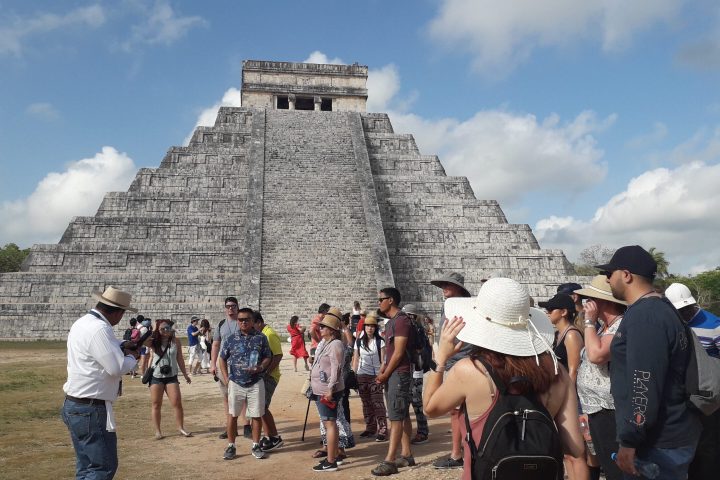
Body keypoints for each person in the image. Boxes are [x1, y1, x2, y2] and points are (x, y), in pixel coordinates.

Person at [423, 277, 585, 480]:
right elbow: (575, 448)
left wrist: (440, 361)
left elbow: (430, 408)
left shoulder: (470, 370)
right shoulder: (556, 371)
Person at [596, 245, 701, 479]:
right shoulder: (660, 309)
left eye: (608, 274)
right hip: (668, 435)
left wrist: (630, 440)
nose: (608, 280)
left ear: (626, 275)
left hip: (657, 443)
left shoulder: (646, 316)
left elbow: (644, 382)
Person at [62, 286, 140, 479]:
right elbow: (116, 367)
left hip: (76, 403)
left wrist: (122, 345)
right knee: (102, 468)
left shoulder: (83, 323)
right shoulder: (100, 328)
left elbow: (101, 347)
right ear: (118, 312)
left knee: (86, 466)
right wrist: (134, 357)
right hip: (92, 407)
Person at [665, 282, 720, 479]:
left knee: (709, 447)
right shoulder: (674, 324)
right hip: (684, 398)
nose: (684, 312)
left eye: (686, 308)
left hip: (708, 398)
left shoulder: (714, 326)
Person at [574, 275, 627, 480]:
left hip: (610, 410)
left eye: (592, 299)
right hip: (595, 409)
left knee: (616, 468)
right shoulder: (603, 327)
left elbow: (596, 355)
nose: (587, 304)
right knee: (606, 461)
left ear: (604, 302)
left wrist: (589, 321)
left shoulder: (620, 326)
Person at [429, 272, 472, 469]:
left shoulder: (466, 307)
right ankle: (461, 451)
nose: (444, 288)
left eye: (448, 284)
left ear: (459, 288)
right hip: (451, 360)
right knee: (457, 412)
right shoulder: (448, 306)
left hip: (460, 361)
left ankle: (457, 453)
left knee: (459, 411)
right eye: (444, 284)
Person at [218, 307, 272, 461]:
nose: (243, 322)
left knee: (256, 415)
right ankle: (231, 445)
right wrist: (226, 377)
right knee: (233, 415)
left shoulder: (261, 338)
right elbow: (222, 358)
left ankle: (255, 444)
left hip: (255, 382)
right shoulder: (231, 339)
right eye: (240, 320)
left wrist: (261, 367)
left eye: (246, 319)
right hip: (236, 382)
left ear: (252, 321)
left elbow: (268, 356)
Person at [371, 287, 414, 476]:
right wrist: (383, 369)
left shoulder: (401, 320)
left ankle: (390, 460)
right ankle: (406, 454)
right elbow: (390, 353)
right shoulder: (392, 323)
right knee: (401, 414)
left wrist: (386, 373)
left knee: (395, 417)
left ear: (391, 300)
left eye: (381, 299)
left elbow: (398, 352)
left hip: (399, 374)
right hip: (393, 373)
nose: (378, 302)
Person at [310, 308, 346, 472]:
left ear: (331, 330)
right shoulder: (327, 343)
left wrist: (330, 389)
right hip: (321, 389)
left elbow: (336, 369)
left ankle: (331, 460)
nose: (320, 329)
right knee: (329, 422)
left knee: (330, 423)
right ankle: (332, 456)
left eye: (323, 327)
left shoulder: (336, 344)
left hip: (327, 390)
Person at [148, 319, 192, 439]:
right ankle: (158, 431)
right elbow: (142, 342)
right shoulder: (153, 342)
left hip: (171, 376)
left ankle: (181, 428)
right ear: (158, 329)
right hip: (156, 376)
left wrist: (185, 374)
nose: (166, 330)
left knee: (177, 403)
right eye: (162, 328)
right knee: (156, 404)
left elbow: (180, 359)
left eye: (168, 328)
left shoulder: (175, 341)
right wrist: (154, 331)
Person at [210, 296, 243, 439]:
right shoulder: (221, 324)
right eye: (228, 306)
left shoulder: (242, 322)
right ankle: (231, 428)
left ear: (237, 307)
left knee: (242, 397)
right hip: (223, 364)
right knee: (226, 397)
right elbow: (216, 344)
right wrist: (212, 363)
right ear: (225, 308)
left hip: (240, 364)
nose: (231, 308)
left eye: (233, 306)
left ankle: (247, 425)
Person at [352, 312, 388, 440]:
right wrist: (354, 375)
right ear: (364, 327)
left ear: (375, 327)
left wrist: (380, 375)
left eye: (372, 326)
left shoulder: (380, 342)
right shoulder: (359, 342)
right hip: (362, 375)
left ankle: (383, 429)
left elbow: (384, 360)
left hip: (376, 376)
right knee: (366, 403)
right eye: (367, 326)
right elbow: (356, 359)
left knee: (377, 403)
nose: (370, 328)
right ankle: (370, 428)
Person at [254, 311, 284, 452]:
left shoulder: (269, 334)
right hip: (264, 375)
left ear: (259, 322)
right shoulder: (262, 333)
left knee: (262, 407)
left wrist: (266, 372)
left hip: (270, 376)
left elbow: (278, 355)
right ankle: (268, 436)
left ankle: (275, 437)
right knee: (261, 407)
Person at [402, 304, 429, 445]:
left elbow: (419, 350)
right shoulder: (409, 328)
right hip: (408, 369)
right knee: (407, 401)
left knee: (416, 401)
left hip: (416, 369)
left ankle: (422, 431)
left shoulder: (417, 329)